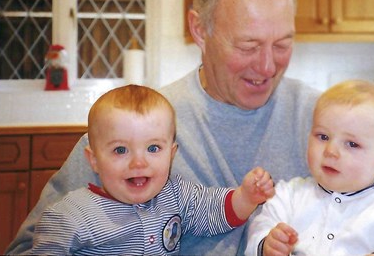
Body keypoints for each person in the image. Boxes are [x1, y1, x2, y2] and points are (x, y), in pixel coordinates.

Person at [6, 0, 374, 255]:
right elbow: (32, 245)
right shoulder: (138, 127)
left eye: (283, 43)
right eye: (247, 46)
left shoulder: (332, 124)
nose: (267, 65)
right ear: (200, 30)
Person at [27, 84, 274, 255]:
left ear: (172, 154)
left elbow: (215, 211)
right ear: (93, 160)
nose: (138, 162)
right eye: (121, 150)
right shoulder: (69, 215)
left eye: (153, 148)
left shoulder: (176, 196)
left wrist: (246, 196)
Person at [245, 80, 374, 256]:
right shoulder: (288, 195)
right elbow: (259, 230)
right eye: (323, 137)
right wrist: (267, 244)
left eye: (352, 144)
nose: (331, 151)